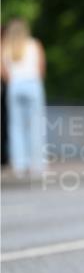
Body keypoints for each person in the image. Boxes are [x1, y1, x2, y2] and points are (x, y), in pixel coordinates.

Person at [1, 18, 47, 178]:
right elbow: (41, 68)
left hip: (15, 85)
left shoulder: (6, 47)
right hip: (33, 83)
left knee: (16, 127)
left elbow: (3, 71)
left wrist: (13, 81)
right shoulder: (34, 44)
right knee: (35, 125)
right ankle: (37, 165)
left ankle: (20, 165)